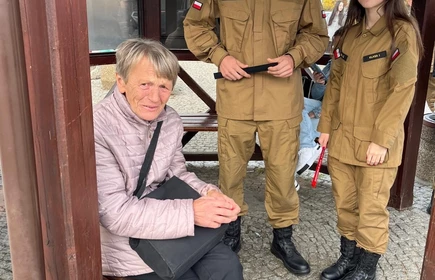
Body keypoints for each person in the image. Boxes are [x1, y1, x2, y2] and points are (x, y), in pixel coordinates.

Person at [183, 1, 329, 276]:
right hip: (236, 98)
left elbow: (317, 35)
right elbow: (194, 24)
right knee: (230, 171)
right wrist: (219, 56)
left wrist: (294, 57)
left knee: (284, 173)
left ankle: (282, 238)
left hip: (281, 100)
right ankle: (230, 231)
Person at [94, 38, 243, 280]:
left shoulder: (170, 120)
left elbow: (177, 174)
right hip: (125, 242)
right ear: (121, 82)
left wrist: (209, 193)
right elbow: (115, 214)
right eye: (145, 84)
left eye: (164, 86)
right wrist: (191, 213)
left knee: (227, 266)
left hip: (172, 223)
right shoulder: (97, 127)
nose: (155, 97)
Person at [317, 0, 423, 278]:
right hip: (342, 138)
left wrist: (381, 140)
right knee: (345, 204)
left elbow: (402, 88)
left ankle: (366, 269)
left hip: (374, 145)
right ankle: (348, 259)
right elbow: (335, 82)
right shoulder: (348, 33)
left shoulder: (401, 31)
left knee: (371, 209)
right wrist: (325, 125)